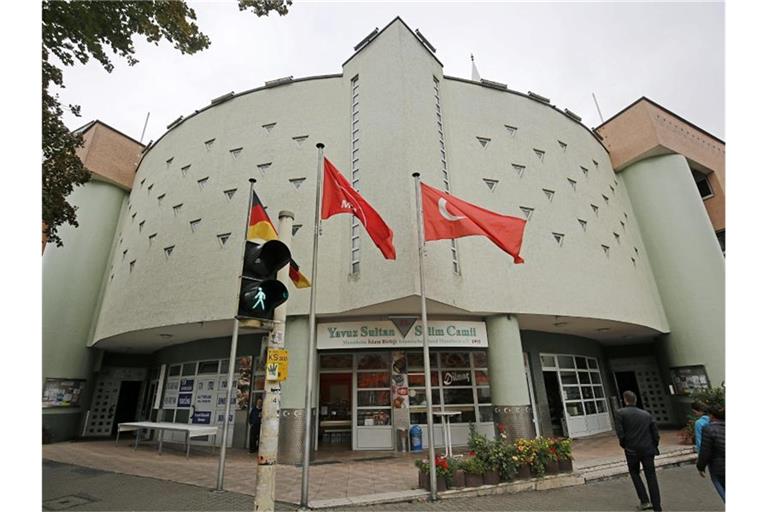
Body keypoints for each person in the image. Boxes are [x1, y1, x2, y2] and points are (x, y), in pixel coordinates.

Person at [615, 390, 662, 512]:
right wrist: (653, 445)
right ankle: (657, 507)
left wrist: (625, 445)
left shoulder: (620, 413)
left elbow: (621, 433)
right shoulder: (646, 414)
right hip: (648, 450)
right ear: (635, 400)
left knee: (634, 473)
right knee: (651, 477)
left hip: (632, 450)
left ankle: (645, 500)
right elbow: (655, 434)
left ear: (625, 400)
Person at [696, 404, 725, 502]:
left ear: (712, 416)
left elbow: (705, 451)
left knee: (722, 488)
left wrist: (700, 466)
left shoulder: (708, 429)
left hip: (718, 467)